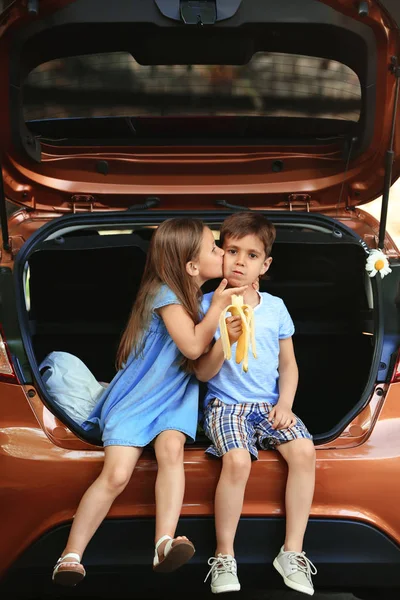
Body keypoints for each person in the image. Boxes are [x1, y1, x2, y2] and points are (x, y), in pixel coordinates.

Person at [52, 218, 247, 587]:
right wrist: (219, 310)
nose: (223, 254)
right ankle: (70, 555)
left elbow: (203, 370)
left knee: (171, 452)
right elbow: (191, 345)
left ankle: (164, 543)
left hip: (175, 399)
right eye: (216, 249)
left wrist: (225, 339)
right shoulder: (165, 294)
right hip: (137, 400)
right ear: (191, 267)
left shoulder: (198, 302)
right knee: (116, 475)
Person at [195, 212, 316, 596]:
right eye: (232, 251)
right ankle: (225, 555)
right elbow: (202, 372)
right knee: (237, 460)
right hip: (226, 405)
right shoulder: (206, 306)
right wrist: (222, 339)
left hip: (267, 405)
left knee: (304, 451)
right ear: (220, 254)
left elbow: (288, 364)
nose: (240, 261)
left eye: (251, 254)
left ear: (265, 265)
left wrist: (286, 403)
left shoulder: (276, 308)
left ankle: (292, 551)